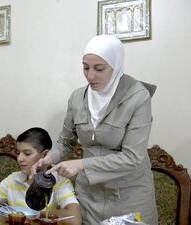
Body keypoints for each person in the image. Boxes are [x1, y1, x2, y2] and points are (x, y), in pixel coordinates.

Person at [31, 35, 158, 224]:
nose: (90, 75)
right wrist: (48, 159)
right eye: (85, 67)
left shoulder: (138, 97)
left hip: (128, 197)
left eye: (99, 69)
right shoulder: (77, 98)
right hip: (89, 197)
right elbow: (65, 142)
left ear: (116, 66)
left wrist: (81, 164)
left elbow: (132, 158)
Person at [0, 127, 81, 225]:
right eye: (18, 153)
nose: (20, 159)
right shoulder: (13, 179)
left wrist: (34, 215)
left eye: (27, 153)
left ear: (45, 155)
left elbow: (75, 218)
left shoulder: (59, 182)